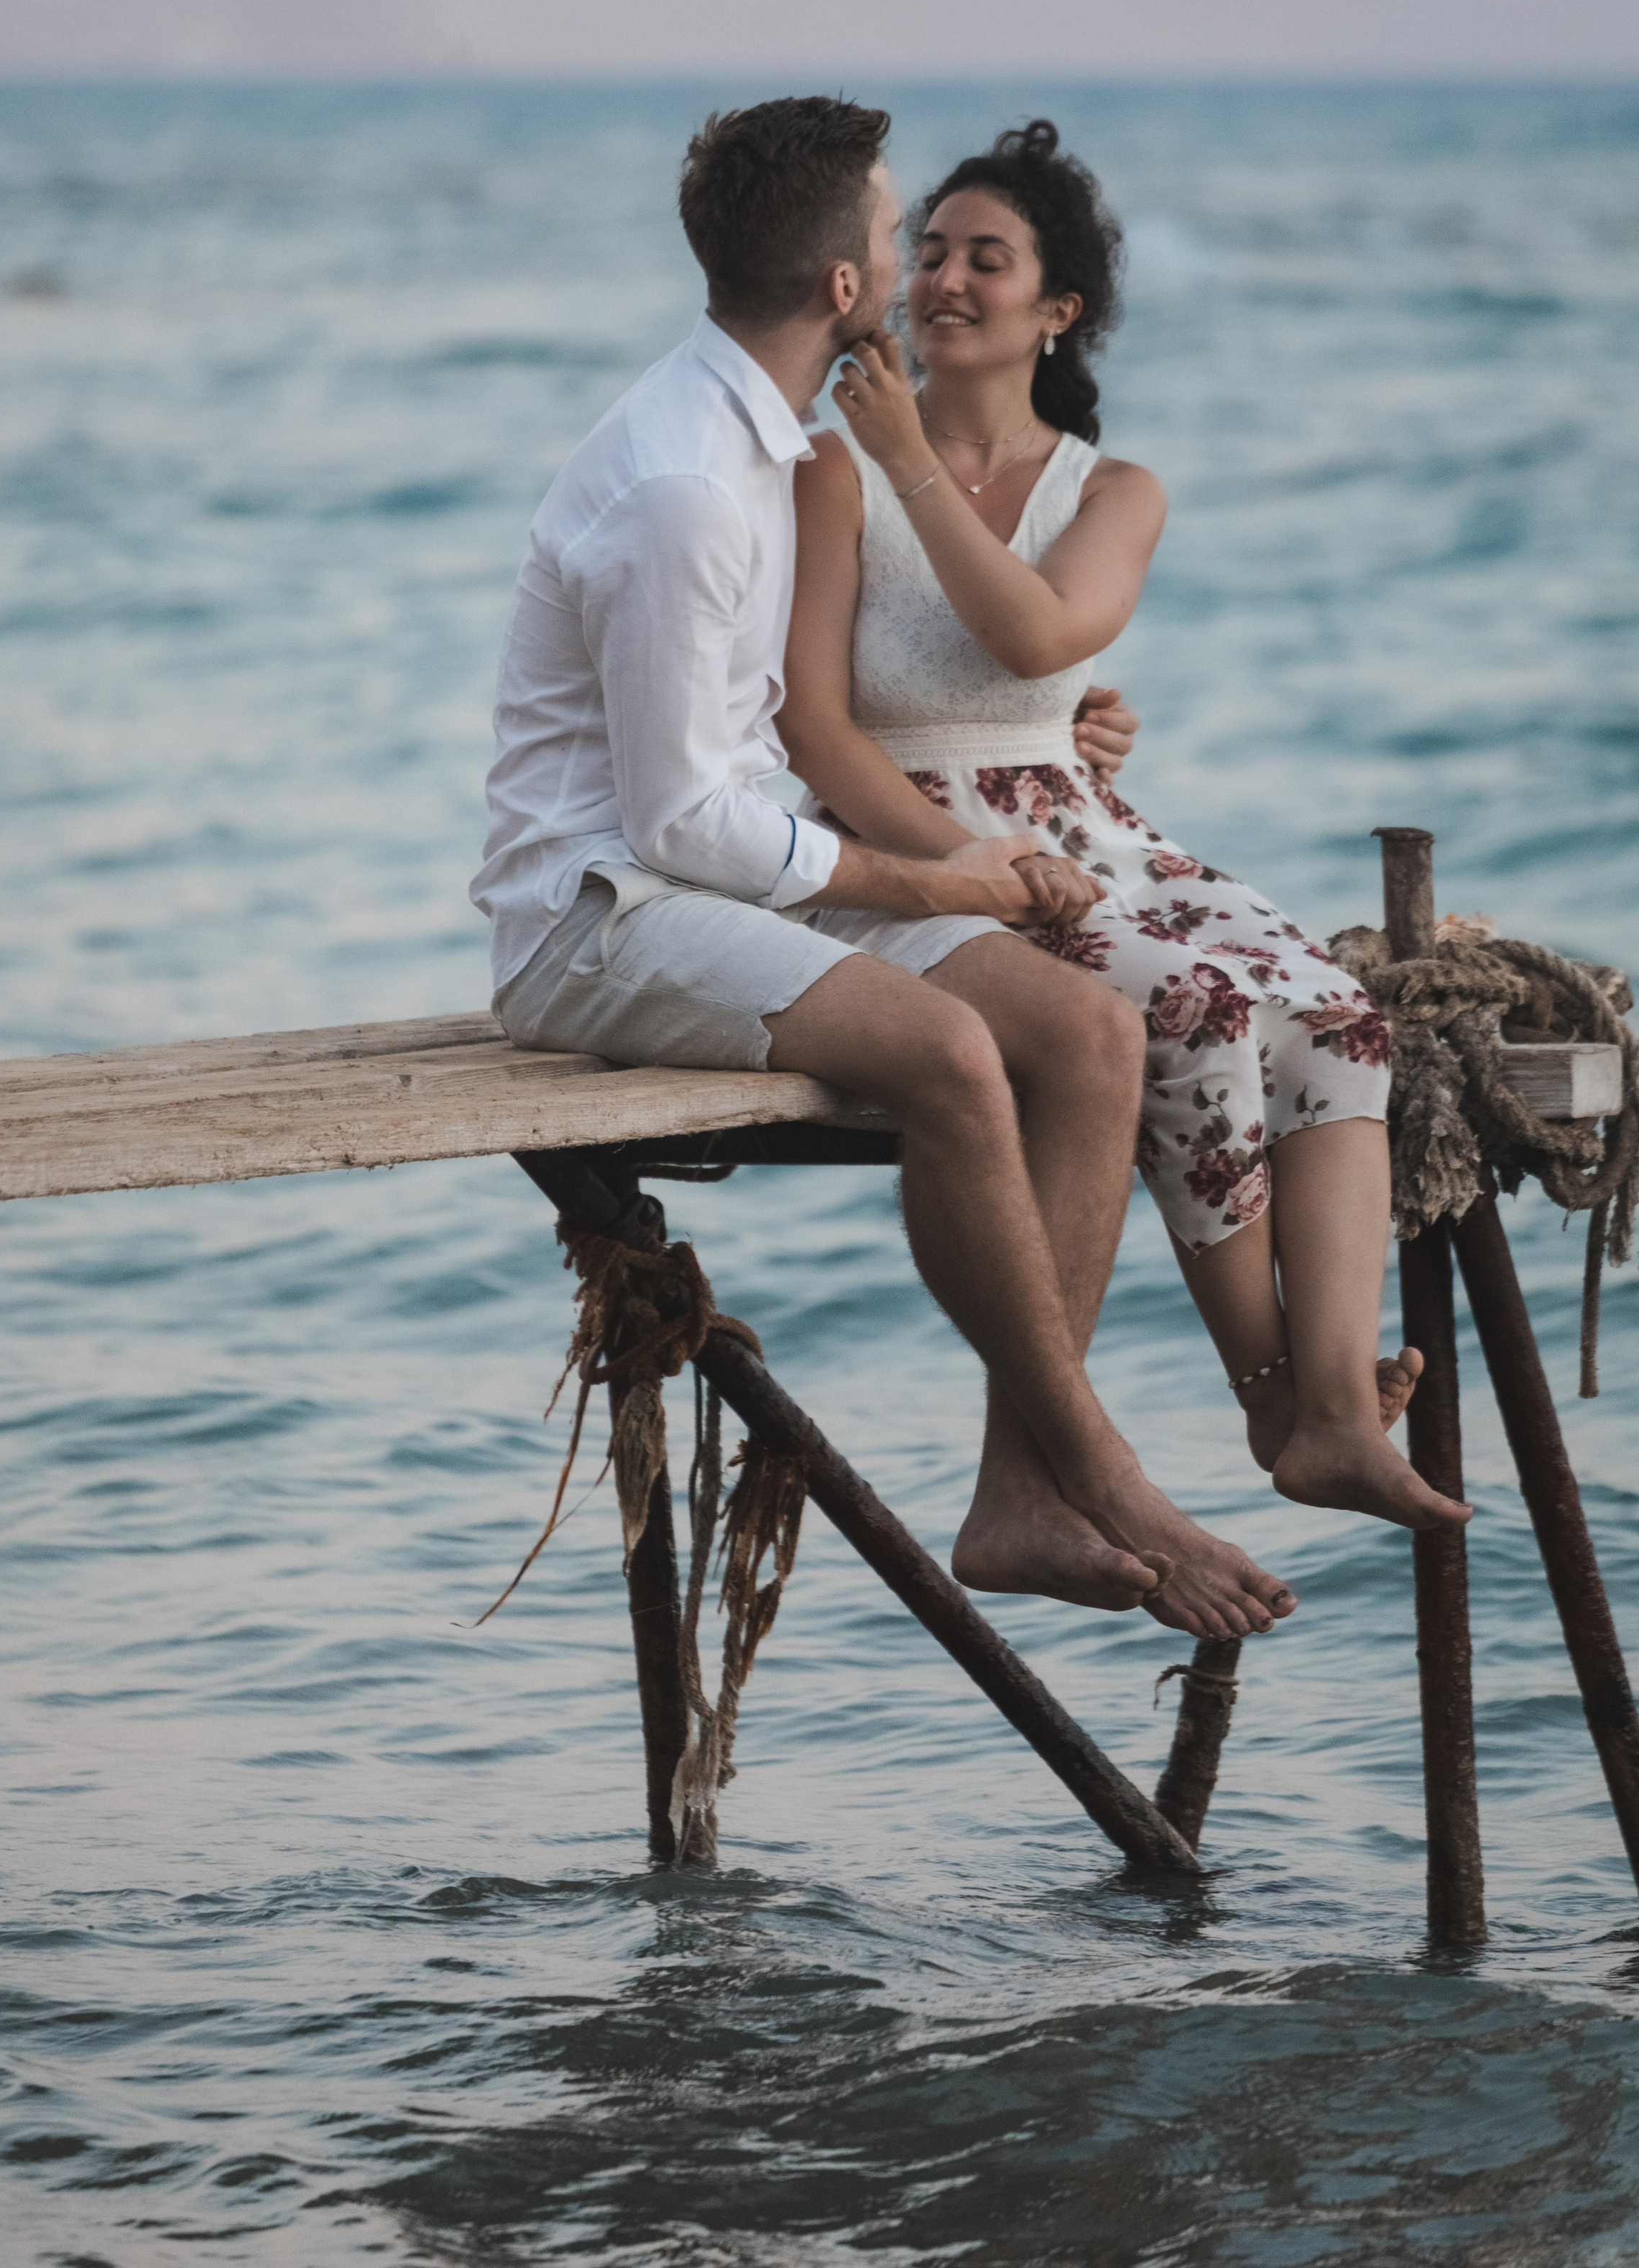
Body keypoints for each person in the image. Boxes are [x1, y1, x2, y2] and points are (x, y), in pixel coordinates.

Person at [474, 95, 1301, 1641]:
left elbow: (816, 704)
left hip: (728, 878)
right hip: (597, 922)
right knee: (951, 1058)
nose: (914, 262)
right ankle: (1101, 1468)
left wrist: (1064, 721)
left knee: (1087, 1032)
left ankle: (1014, 1496)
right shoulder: (682, 489)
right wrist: (943, 882)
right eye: (892, 231)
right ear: (847, 288)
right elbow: (670, 827)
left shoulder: (773, 443)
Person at [777, 120, 1471, 1539]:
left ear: (1057, 308)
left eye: (988, 258)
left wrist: (916, 457)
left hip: (1081, 826)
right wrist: (928, 863)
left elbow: (1035, 630)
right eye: (929, 250)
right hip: (901, 835)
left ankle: (1333, 1406)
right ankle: (1272, 1395)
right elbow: (810, 723)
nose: (942, 278)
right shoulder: (830, 477)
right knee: (1200, 1008)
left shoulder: (1108, 491)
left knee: (1337, 1013)